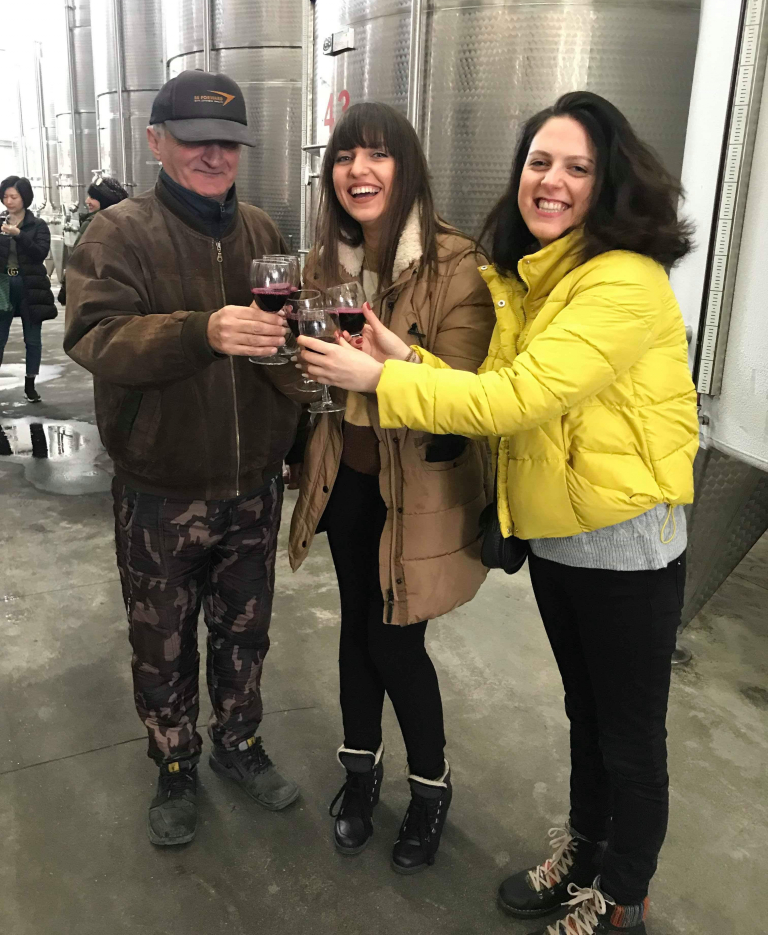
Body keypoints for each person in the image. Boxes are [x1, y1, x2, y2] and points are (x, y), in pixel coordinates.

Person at [298, 91, 699, 933]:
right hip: (559, 536)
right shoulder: (544, 278)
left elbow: (513, 401)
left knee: (630, 738)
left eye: (577, 167)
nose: (551, 180)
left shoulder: (621, 282)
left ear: (610, 182)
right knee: (587, 719)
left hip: (625, 545)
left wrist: (381, 379)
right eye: (539, 162)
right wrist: (403, 355)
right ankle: (583, 855)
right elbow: (493, 386)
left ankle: (621, 899)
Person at [64, 69, 306, 848]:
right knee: (161, 641)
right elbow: (95, 336)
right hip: (161, 488)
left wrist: (299, 432)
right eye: (196, 140)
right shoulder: (118, 234)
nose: (214, 155)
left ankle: (239, 741)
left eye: (228, 143)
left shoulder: (262, 233)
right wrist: (200, 331)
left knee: (245, 630)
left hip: (253, 483)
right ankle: (174, 760)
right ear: (156, 142)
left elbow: (284, 348)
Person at [289, 101, 495, 872]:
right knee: (356, 629)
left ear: (406, 169)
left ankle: (431, 789)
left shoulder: (456, 265)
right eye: (345, 156)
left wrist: (382, 368)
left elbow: (468, 396)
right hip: (346, 476)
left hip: (417, 490)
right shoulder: (323, 263)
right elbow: (310, 380)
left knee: (396, 641)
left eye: (377, 154)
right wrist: (296, 363)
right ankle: (360, 772)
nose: (359, 170)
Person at [0, 175, 57, 402]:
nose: (8, 201)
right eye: (5, 196)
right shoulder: (0, 221)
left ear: (24, 198)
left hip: (29, 285)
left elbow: (39, 253)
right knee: (0, 338)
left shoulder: (37, 225)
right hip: (4, 284)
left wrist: (19, 235)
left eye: (13, 197)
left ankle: (30, 384)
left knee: (32, 339)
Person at [58, 176, 130, 306]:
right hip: (122, 292)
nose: (87, 201)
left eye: (93, 197)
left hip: (93, 291)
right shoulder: (128, 222)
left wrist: (65, 289)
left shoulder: (93, 224)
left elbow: (78, 258)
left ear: (105, 200)